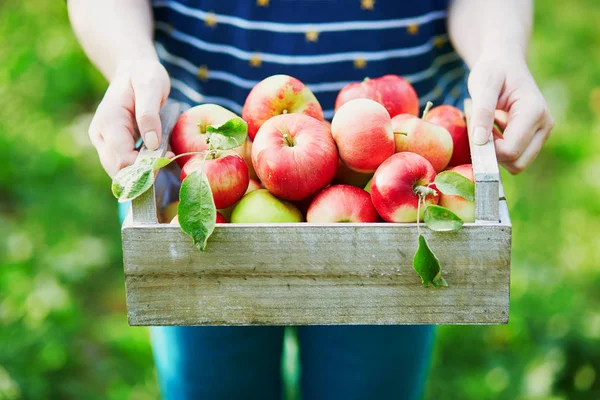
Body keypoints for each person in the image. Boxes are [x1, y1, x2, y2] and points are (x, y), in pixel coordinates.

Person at [68, 1, 554, 399]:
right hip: (195, 172)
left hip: (397, 192)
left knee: (371, 387)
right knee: (213, 384)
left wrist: (500, 50)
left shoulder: (405, 175)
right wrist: (129, 60)